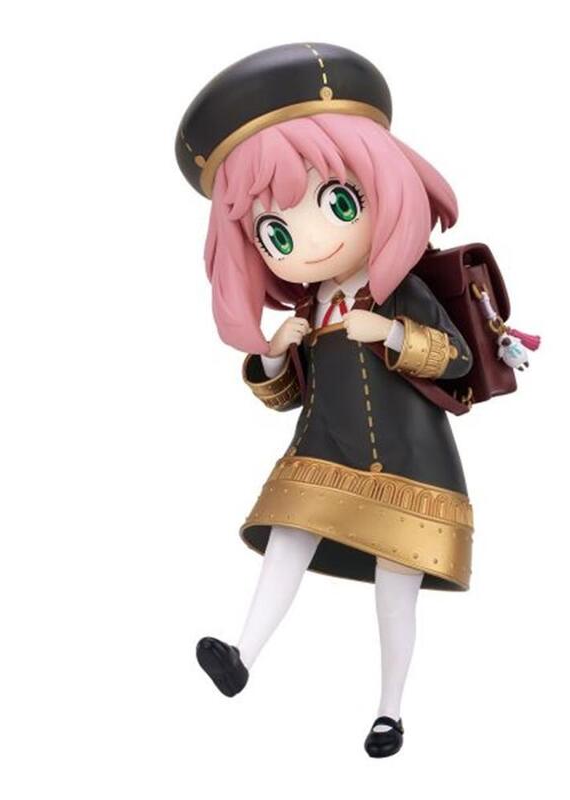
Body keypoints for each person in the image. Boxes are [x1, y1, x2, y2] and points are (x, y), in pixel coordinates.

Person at [176, 42, 475, 758]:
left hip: (407, 463)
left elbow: (457, 358)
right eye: (275, 233)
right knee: (287, 538)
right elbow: (284, 397)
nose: (307, 243)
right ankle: (241, 653)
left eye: (338, 203)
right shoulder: (310, 309)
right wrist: (273, 351)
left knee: (395, 588)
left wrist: (394, 333)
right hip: (321, 450)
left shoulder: (400, 291)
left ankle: (390, 711)